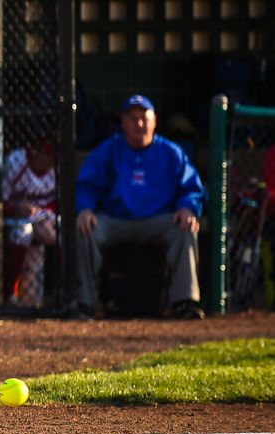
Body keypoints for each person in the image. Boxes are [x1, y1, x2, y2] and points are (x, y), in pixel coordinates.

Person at [74, 94, 206, 319]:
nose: (139, 124)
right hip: (115, 219)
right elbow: (87, 185)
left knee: (186, 228)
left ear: (154, 122)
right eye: (132, 119)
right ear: (123, 123)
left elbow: (192, 187)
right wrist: (85, 209)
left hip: (158, 220)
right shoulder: (108, 150)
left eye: (144, 118)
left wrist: (187, 207)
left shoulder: (171, 153)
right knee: (86, 229)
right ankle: (84, 304)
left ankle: (185, 302)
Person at [1, 140, 57, 307]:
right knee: (23, 232)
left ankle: (61, 291)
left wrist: (43, 210)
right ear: (36, 151)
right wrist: (16, 211)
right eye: (47, 156)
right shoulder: (16, 161)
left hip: (43, 218)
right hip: (15, 218)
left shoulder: (58, 168)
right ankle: (9, 292)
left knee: (62, 233)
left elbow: (58, 203)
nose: (50, 162)